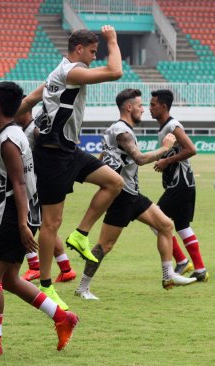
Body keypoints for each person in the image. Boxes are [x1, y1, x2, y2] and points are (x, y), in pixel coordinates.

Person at [0, 81, 77, 356]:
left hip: (12, 217)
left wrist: (23, 223)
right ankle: (63, 317)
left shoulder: (8, 140)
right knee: (11, 279)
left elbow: (20, 185)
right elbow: (11, 184)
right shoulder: (12, 134)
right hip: (13, 213)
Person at [15, 26, 125, 309]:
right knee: (51, 224)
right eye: (92, 50)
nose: (94, 55)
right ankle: (47, 285)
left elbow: (28, 101)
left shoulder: (58, 74)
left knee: (114, 182)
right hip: (51, 157)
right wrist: (112, 39)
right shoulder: (72, 72)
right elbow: (115, 72)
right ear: (79, 49)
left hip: (69, 152)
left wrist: (3, 122)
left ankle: (80, 235)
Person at [74, 88, 196, 300]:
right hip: (121, 197)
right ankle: (83, 288)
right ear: (129, 107)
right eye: (140, 106)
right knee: (105, 245)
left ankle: (169, 276)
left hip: (133, 195)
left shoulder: (117, 129)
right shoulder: (122, 131)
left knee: (166, 225)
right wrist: (165, 148)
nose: (143, 109)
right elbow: (140, 158)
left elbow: (102, 156)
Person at [0, 110, 77, 283]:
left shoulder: (34, 130)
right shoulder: (21, 130)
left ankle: (36, 267)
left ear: (25, 111)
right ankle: (65, 268)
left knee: (27, 224)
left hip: (34, 186)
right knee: (43, 227)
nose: (13, 115)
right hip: (33, 185)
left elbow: (47, 155)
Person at [150, 89, 209, 282]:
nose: (150, 108)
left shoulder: (173, 125)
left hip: (180, 183)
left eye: (153, 104)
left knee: (155, 219)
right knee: (182, 226)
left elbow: (191, 149)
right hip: (183, 183)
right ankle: (200, 270)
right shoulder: (164, 127)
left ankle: (182, 260)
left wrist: (167, 162)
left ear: (163, 107)